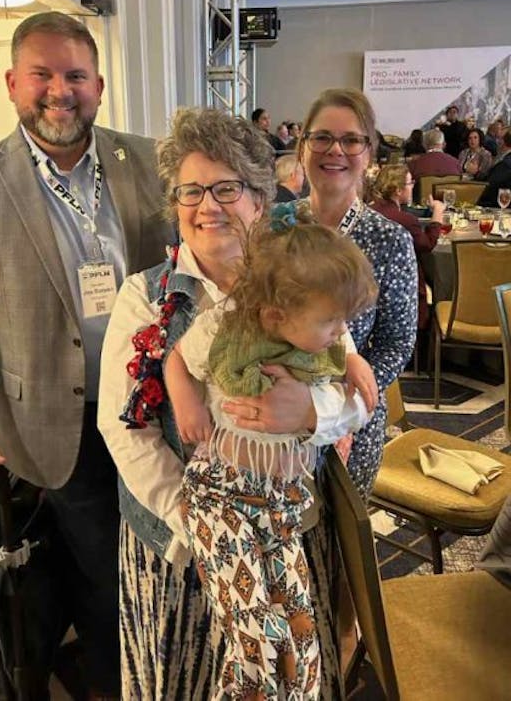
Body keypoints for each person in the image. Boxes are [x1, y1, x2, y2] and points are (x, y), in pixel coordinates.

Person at [0, 12, 172, 699]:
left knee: (165, 559)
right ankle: (122, 683)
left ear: (99, 85)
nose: (60, 90)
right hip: (57, 423)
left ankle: (158, 665)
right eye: (42, 75)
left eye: (76, 75)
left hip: (161, 410)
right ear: (12, 82)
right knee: (109, 570)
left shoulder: (152, 161)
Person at [98, 107, 379, 700]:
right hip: (180, 540)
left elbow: (355, 394)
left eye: (226, 188)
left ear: (259, 198)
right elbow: (125, 428)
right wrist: (204, 525)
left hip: (289, 525)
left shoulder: (307, 277)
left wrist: (311, 413)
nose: (207, 206)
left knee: (291, 660)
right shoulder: (146, 298)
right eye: (191, 190)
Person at [164, 216, 378, 699]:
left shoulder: (325, 340)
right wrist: (188, 402)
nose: (341, 331)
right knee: (258, 644)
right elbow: (176, 359)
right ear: (278, 314)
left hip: (281, 507)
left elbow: (361, 406)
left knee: (302, 644)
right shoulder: (226, 325)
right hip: (220, 498)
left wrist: (350, 362)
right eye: (332, 321)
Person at [291, 88, 418, 498]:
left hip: (350, 420)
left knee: (338, 552)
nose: (335, 151)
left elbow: (397, 341)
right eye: (322, 137)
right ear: (302, 146)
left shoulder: (389, 240)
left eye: (351, 140)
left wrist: (348, 394)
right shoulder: (274, 226)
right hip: (276, 412)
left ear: (370, 154)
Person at [370, 165, 444, 328]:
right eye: (410, 183)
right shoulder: (405, 221)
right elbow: (427, 245)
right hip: (401, 291)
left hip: (370, 287)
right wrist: (438, 213)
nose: (412, 187)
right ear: (398, 190)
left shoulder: (370, 210)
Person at [478, 129, 511, 207]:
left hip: (496, 205)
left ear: (502, 142)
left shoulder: (506, 163)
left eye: (498, 138)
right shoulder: (504, 160)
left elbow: (490, 186)